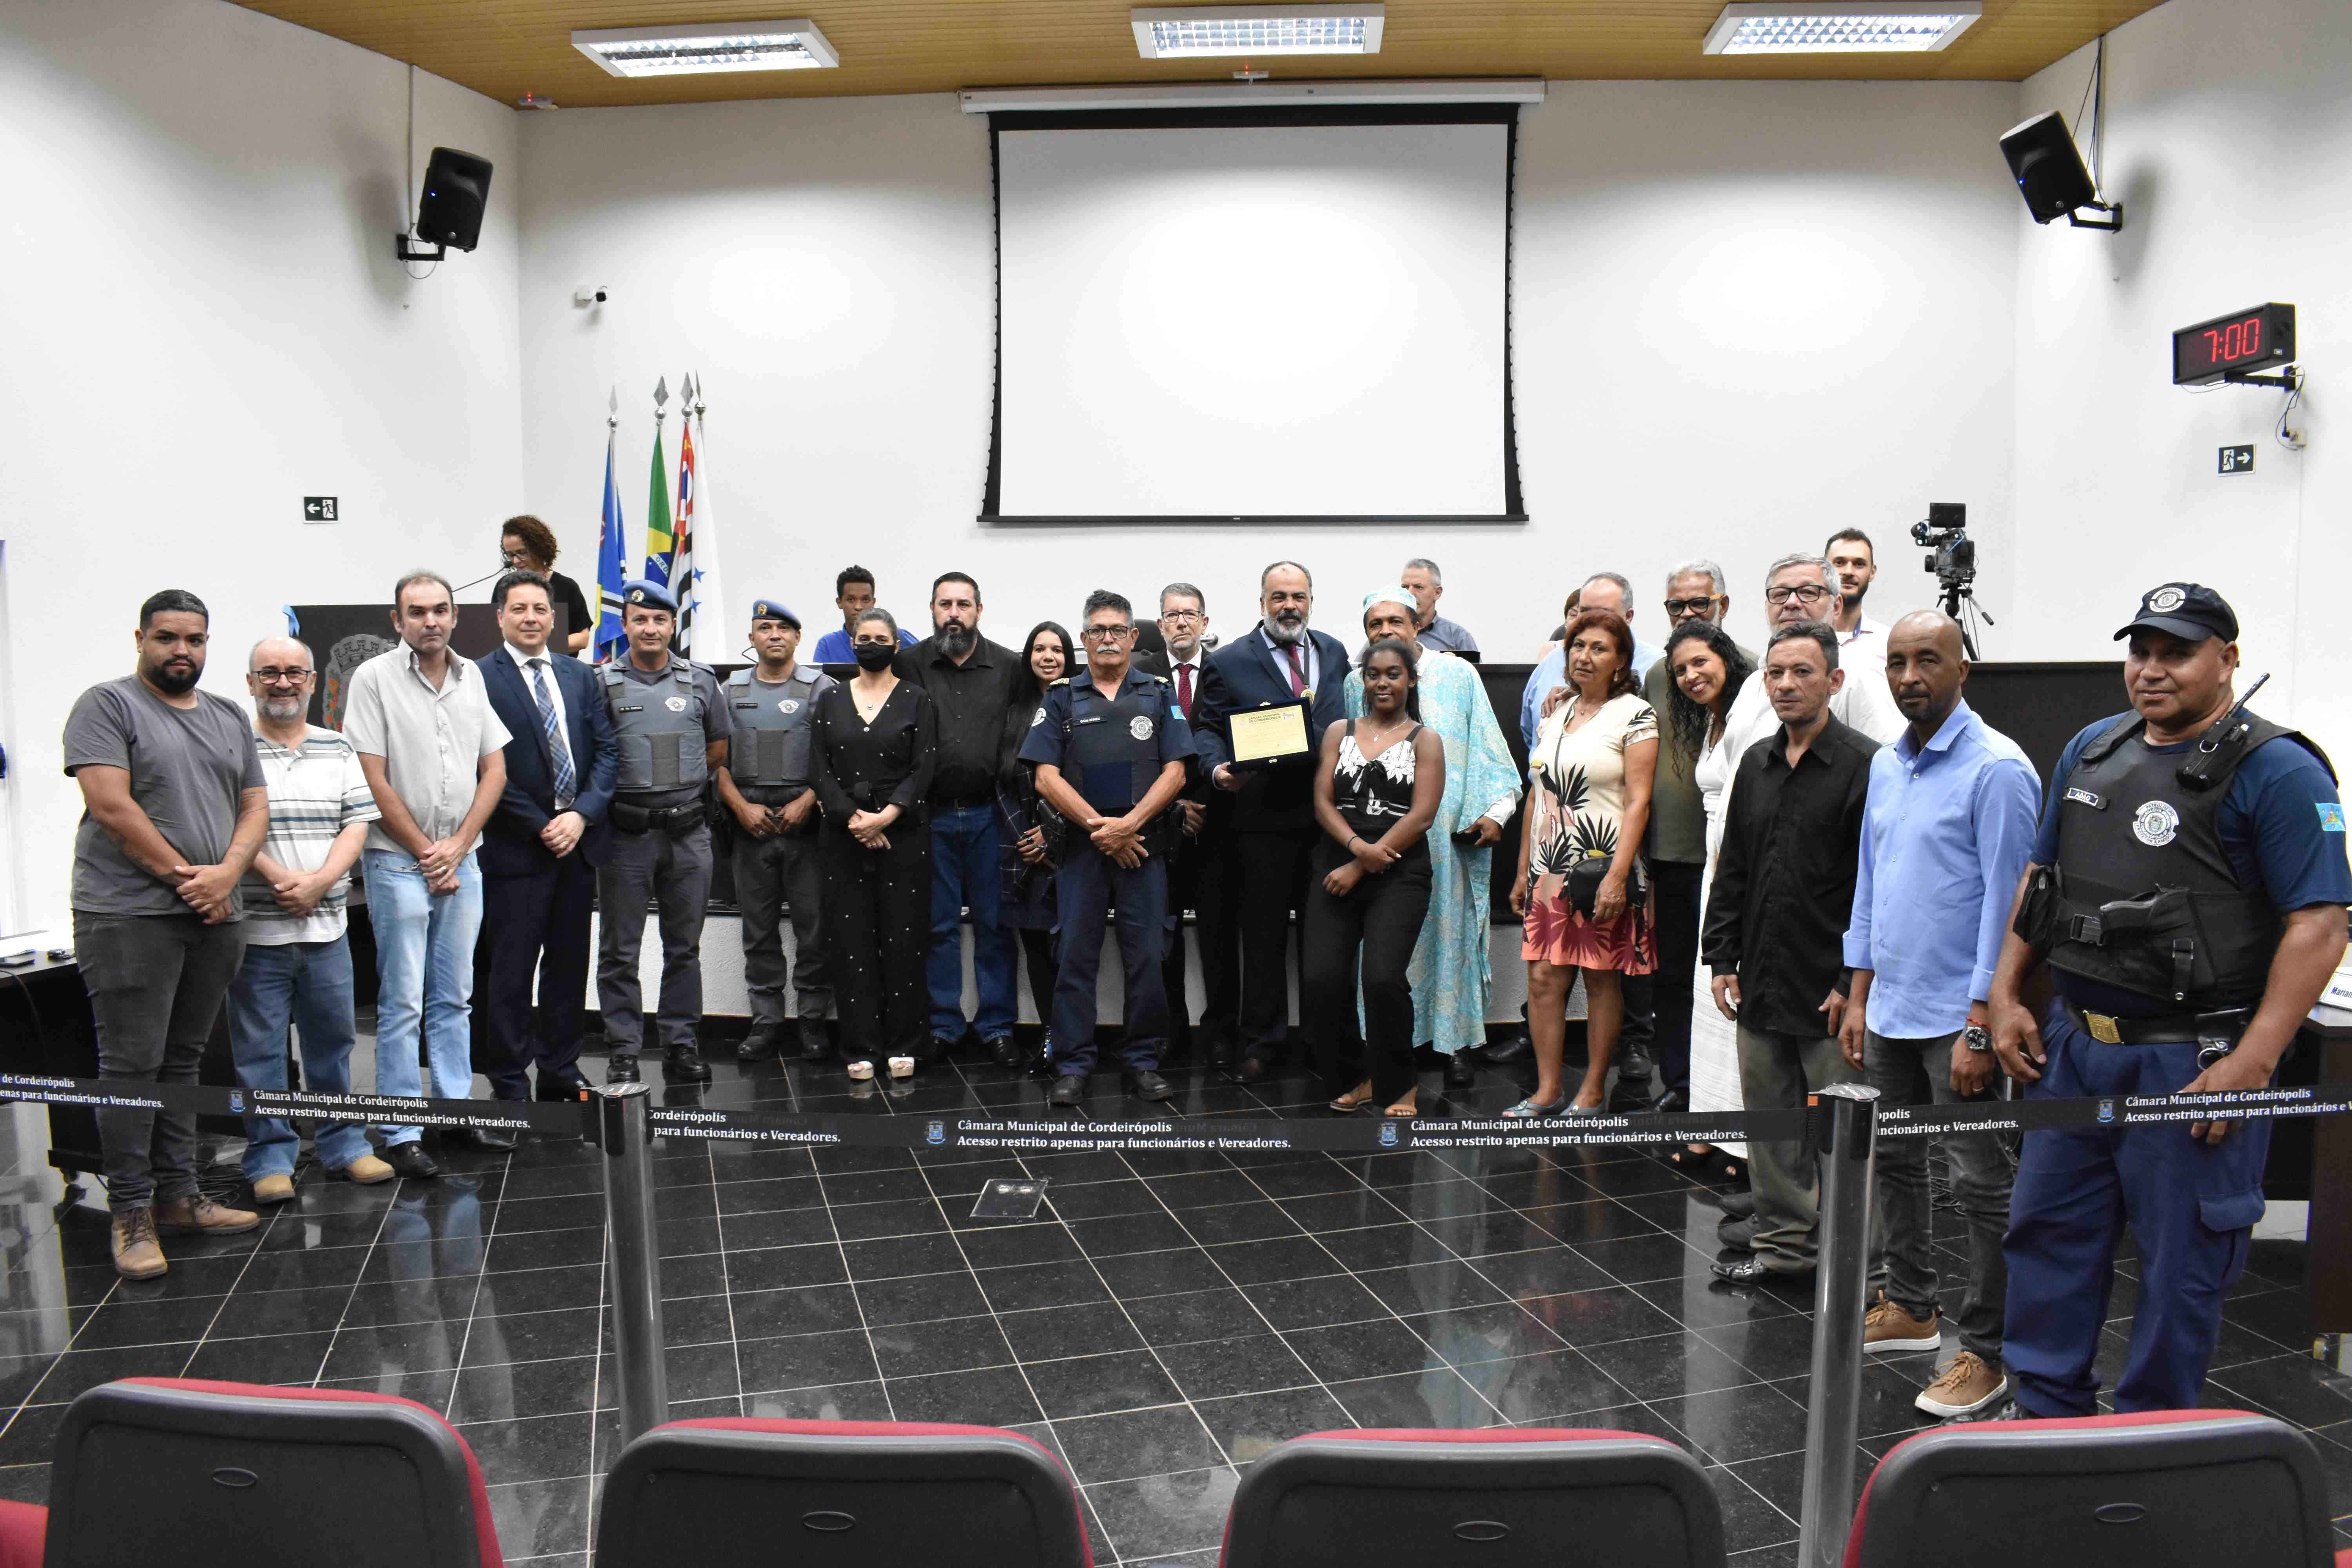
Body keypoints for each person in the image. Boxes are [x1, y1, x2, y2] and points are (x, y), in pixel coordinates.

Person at [1987, 583, 2351, 1419]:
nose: (2151, 670)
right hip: (2075, 1048)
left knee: (2182, 1263)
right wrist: (2005, 992)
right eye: (2141, 652)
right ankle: (2045, 1415)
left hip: (2192, 1060)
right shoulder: (2093, 747)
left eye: (2177, 653)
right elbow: (2040, 882)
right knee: (2047, 1236)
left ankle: (2155, 1437)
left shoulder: (2281, 769)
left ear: (2228, 660)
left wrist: (2252, 1063)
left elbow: (2322, 924)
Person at [1838, 609, 2040, 1418]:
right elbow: (1871, 882)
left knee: (1980, 1185)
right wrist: (1859, 994)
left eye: (1928, 659)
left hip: (1960, 1017)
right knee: (1894, 1162)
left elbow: (2012, 907)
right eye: (1897, 661)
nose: (1909, 676)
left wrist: (1982, 1020)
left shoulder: (1999, 770)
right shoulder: (1888, 763)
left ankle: (1988, 1351)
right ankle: (1913, 1307)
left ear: (1964, 670)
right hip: (1892, 1004)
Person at [65, 590, 268, 1277]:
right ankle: (130, 1212)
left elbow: (254, 805)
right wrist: (193, 881)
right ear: (140, 640)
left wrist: (229, 874)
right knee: (131, 1066)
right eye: (167, 637)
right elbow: (111, 807)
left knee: (184, 1062)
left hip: (215, 914)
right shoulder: (107, 706)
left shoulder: (228, 714)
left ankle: (180, 1197)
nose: (182, 650)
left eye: (195, 639)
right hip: (129, 916)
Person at [1702, 622, 1875, 1281]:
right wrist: (1722, 958)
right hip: (1761, 977)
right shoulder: (1757, 763)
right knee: (1771, 1128)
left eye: (1803, 672)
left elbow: (1875, 886)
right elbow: (1734, 867)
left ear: (1834, 681)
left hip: (1831, 987)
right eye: (1775, 673)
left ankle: (1860, 1268)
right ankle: (1785, 1250)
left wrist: (1851, 983)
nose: (1786, 684)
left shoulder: (1866, 765)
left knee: (1843, 1135)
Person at [344, 571, 511, 1176]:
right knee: (402, 1001)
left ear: (455, 616)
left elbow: (495, 770)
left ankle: (455, 1113)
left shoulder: (473, 679)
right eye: (417, 612)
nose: (431, 621)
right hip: (397, 862)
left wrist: (458, 846)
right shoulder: (373, 678)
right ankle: (401, 1128)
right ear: (398, 621)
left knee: (455, 998)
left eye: (441, 610)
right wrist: (427, 853)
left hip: (463, 860)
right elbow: (371, 777)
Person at [229, 636, 388, 1203]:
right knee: (260, 1054)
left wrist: (320, 882)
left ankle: (343, 1144)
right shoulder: (232, 748)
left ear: (313, 682)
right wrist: (280, 879)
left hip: (327, 930)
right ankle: (271, 1156)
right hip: (257, 932)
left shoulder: (337, 747)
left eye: (295, 672)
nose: (283, 683)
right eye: (270, 672)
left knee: (333, 1044)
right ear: (251, 682)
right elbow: (230, 829)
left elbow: (356, 824)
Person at [1345, 588, 1521, 1091]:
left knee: (1449, 940)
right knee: (1382, 951)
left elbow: (1489, 747)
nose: (1385, 631)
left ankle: (1454, 1045)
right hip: (1379, 842)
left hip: (1444, 842)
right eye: (1375, 624)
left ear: (1417, 624)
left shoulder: (1458, 675)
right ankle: (1387, 1048)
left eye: (1395, 621)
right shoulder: (1355, 681)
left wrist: (1495, 813)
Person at [1024, 591, 1193, 1107]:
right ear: (1083, 638)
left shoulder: (1157, 693)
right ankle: (1073, 1064)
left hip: (1144, 848)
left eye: (1118, 630)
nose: (1108, 639)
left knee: (1148, 957)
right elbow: (1045, 777)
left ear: (1134, 637)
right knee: (1074, 957)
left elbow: (1177, 771)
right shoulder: (1061, 697)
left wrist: (1130, 825)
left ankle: (1142, 1061)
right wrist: (1102, 828)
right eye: (1097, 630)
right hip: (1082, 849)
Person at [1192, 563, 1350, 1083]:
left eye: (1298, 596)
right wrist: (1217, 769)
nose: (1289, 606)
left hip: (1328, 821)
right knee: (1263, 942)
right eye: (1278, 597)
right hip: (1260, 823)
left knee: (1324, 941)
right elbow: (1207, 728)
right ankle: (1262, 1043)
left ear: (1311, 601)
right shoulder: (1229, 660)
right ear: (1262, 603)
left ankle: (1324, 1042)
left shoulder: (1335, 652)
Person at [476, 569, 619, 1103]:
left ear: (554, 618)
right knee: (510, 972)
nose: (531, 618)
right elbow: (482, 766)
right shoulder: (478, 679)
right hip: (516, 848)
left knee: (567, 966)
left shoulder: (580, 676)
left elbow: (607, 753)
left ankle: (561, 1066)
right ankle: (510, 1079)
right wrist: (542, 824)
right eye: (519, 609)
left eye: (540, 609)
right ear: (500, 617)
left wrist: (581, 815)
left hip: (577, 847)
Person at [1511, 608, 1658, 1116]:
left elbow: (1639, 800)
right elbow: (1538, 794)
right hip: (1548, 869)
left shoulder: (1636, 714)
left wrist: (1618, 876)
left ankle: (1592, 1089)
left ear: (1621, 661)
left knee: (1600, 978)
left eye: (1600, 648)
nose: (1585, 656)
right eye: (1578, 646)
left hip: (1601, 867)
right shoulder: (1557, 712)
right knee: (1542, 980)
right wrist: (1523, 871)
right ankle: (1547, 1090)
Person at [593, 579, 726, 1084]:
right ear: (625, 625)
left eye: (660, 620)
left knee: (684, 948)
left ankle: (681, 1044)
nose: (650, 628)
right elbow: (595, 755)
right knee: (620, 952)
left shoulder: (701, 681)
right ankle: (624, 1050)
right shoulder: (602, 683)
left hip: (687, 835)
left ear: (673, 625)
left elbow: (717, 749)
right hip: (625, 837)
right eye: (640, 619)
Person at [1310, 637, 1444, 1116]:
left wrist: (1362, 862)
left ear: (1411, 680)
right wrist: (1354, 849)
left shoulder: (1425, 739)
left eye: (1393, 674)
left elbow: (1422, 815)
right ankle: (1357, 1076)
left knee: (1383, 979)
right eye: (1373, 674)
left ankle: (1399, 1083)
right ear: (1362, 681)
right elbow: (1323, 800)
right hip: (1336, 865)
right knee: (1323, 979)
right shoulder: (1338, 732)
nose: (1382, 683)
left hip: (1400, 873)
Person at [901, 573, 1022, 1065]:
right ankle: (943, 1026)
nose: (954, 613)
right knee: (938, 927)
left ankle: (997, 1026)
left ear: (979, 610)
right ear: (932, 609)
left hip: (993, 816)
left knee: (996, 925)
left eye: (963, 604)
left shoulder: (1010, 666)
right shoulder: (908, 664)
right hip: (930, 818)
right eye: (945, 604)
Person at [813, 608, 937, 1081]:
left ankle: (905, 1043)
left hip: (903, 836)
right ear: (852, 643)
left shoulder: (917, 699)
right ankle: (860, 1046)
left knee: (904, 940)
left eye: (880, 638)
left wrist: (887, 815)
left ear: (896, 645)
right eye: (863, 638)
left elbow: (924, 766)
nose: (871, 645)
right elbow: (818, 768)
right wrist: (853, 818)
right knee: (850, 943)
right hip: (842, 837)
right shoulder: (830, 698)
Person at [1642, 562, 1748, 1112]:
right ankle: (1681, 1084)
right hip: (1672, 850)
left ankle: (1727, 1096)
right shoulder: (1659, 675)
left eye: (1699, 603)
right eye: (1675, 606)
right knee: (1674, 974)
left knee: (1725, 977)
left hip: (1731, 859)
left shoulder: (1752, 672)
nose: (1686, 613)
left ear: (1722, 606)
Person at [714, 595, 837, 1064]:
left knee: (814, 930)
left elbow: (838, 759)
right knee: (758, 931)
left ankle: (811, 1021)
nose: (775, 635)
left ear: (799, 637)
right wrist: (740, 807)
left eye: (784, 628)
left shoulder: (822, 688)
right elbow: (715, 762)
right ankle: (765, 1022)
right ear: (752, 637)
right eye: (765, 628)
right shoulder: (730, 690)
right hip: (751, 827)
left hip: (807, 828)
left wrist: (809, 800)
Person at [1666, 619, 1767, 1185]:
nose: (1691, 675)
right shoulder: (1710, 720)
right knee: (1709, 1004)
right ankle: (1707, 1125)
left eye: (1700, 662)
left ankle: (1745, 1142)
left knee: (1735, 1000)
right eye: (1681, 669)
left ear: (1727, 656)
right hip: (1712, 864)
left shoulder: (1756, 707)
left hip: (1741, 864)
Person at [1155, 582, 1236, 1063]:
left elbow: (1232, 739)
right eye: (1172, 615)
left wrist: (1200, 802)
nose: (1181, 622)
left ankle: (1221, 1030)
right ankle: (1171, 1029)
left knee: (1218, 934)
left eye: (1190, 614)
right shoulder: (1141, 674)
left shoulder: (1228, 671)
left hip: (1216, 823)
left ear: (1205, 623)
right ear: (1160, 624)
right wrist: (1175, 807)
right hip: (1160, 825)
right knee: (1163, 935)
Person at [1721, 555, 1905, 748]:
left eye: (1808, 593)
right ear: (1767, 606)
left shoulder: (1859, 676)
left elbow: (1889, 757)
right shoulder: (1753, 683)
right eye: (1780, 594)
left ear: (1837, 606)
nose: (1791, 603)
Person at [1000, 621, 1073, 1071]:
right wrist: (1025, 837)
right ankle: (1050, 1034)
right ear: (1028, 658)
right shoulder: (1012, 712)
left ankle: (1073, 1037)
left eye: (1057, 649)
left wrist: (1053, 833)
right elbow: (999, 782)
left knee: (1069, 949)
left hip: (1072, 848)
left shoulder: (1082, 705)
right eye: (1040, 649)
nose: (1048, 657)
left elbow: (1085, 779)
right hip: (1022, 853)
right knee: (1036, 950)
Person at [1520, 573, 1664, 752]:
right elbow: (1530, 731)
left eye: (1604, 614)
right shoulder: (1551, 662)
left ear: (1628, 616)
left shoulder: (1657, 665)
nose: (1592, 621)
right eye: (1585, 612)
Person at [496, 515, 593, 656]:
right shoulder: (504, 587)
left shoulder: (567, 587)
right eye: (511, 555)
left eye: (523, 553)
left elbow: (582, 639)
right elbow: (494, 636)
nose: (516, 561)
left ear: (539, 549)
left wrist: (536, 646)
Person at [810, 566, 919, 664]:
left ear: (873, 602)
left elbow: (924, 666)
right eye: (851, 600)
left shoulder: (899, 636)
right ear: (840, 602)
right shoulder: (828, 645)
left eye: (865, 600)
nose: (858, 607)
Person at [1398, 558, 1479, 656]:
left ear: (1437, 593)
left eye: (1419, 587)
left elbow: (1473, 667)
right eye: (1405, 587)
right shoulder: (1389, 632)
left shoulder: (1457, 637)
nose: (1410, 593)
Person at [1825, 528, 1888, 650]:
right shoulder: (1798, 640)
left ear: (1872, 573)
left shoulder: (1888, 643)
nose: (1849, 572)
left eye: (1859, 564)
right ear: (1824, 569)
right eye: (1840, 563)